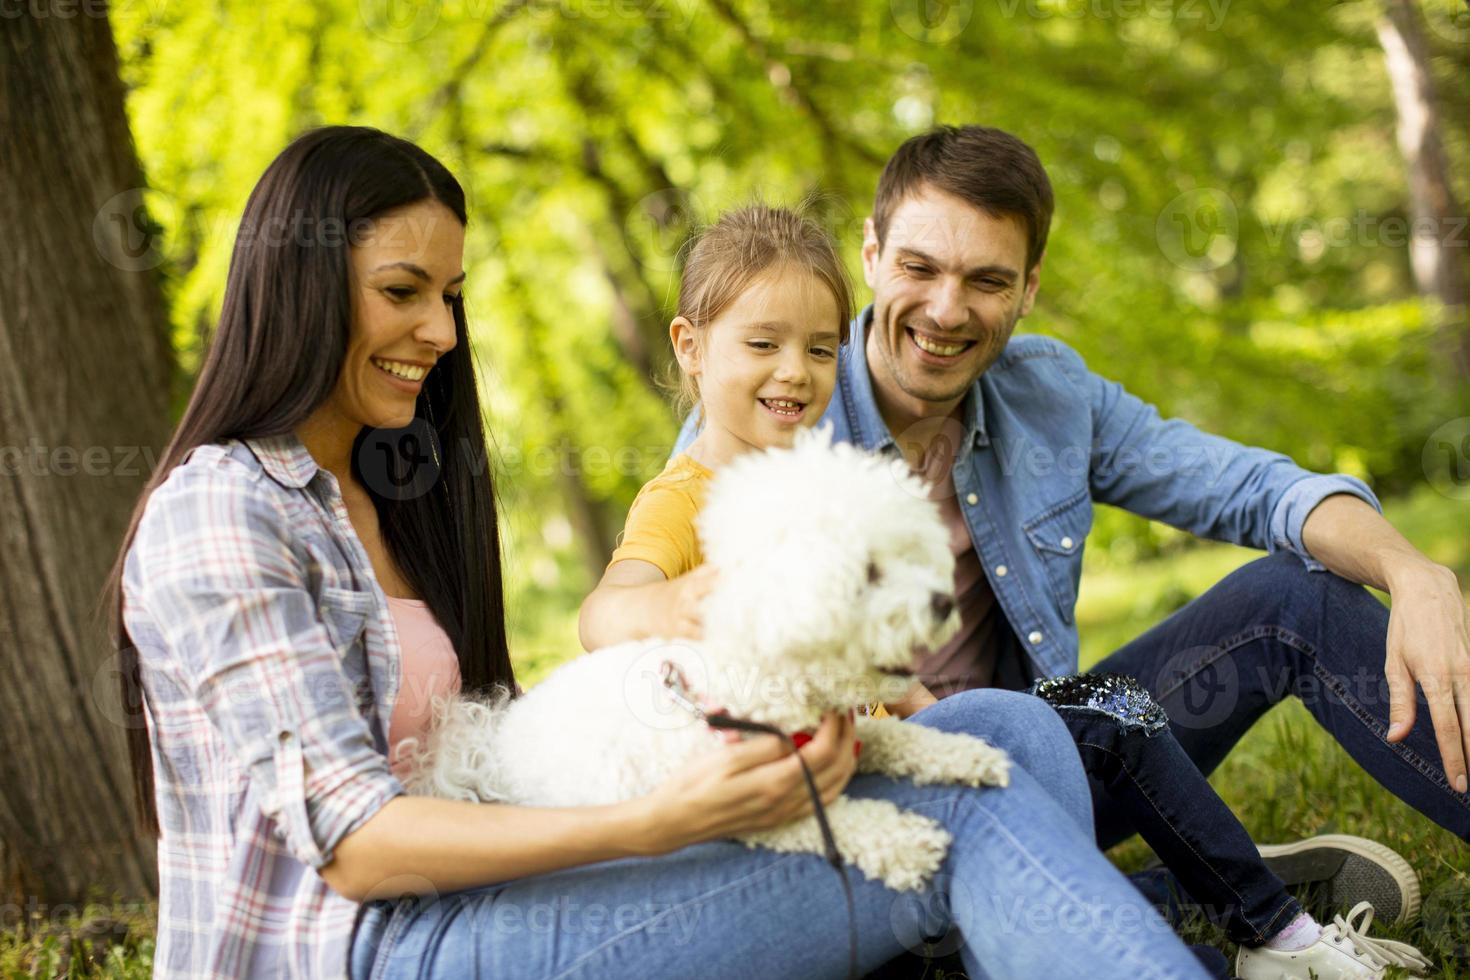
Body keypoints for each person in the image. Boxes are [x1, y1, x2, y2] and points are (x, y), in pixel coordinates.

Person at [103, 127, 1213, 980]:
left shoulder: (402, 484)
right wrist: (660, 822)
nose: (441, 333)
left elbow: (504, 740)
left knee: (1006, 724)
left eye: (449, 297)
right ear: (295, 283)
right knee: (967, 807)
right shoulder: (222, 513)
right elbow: (353, 846)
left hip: (504, 880)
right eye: (402, 292)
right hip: (377, 948)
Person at [589, 205, 1430, 979]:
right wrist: (675, 606)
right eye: (762, 345)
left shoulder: (839, 468)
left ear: (1027, 289)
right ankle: (1209, 905)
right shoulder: (694, 491)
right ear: (690, 347)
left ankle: (1265, 920)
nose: (796, 373)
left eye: (817, 349)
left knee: (1111, 706)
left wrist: (1408, 565)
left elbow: (863, 660)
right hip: (839, 818)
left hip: (943, 753)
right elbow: (608, 610)